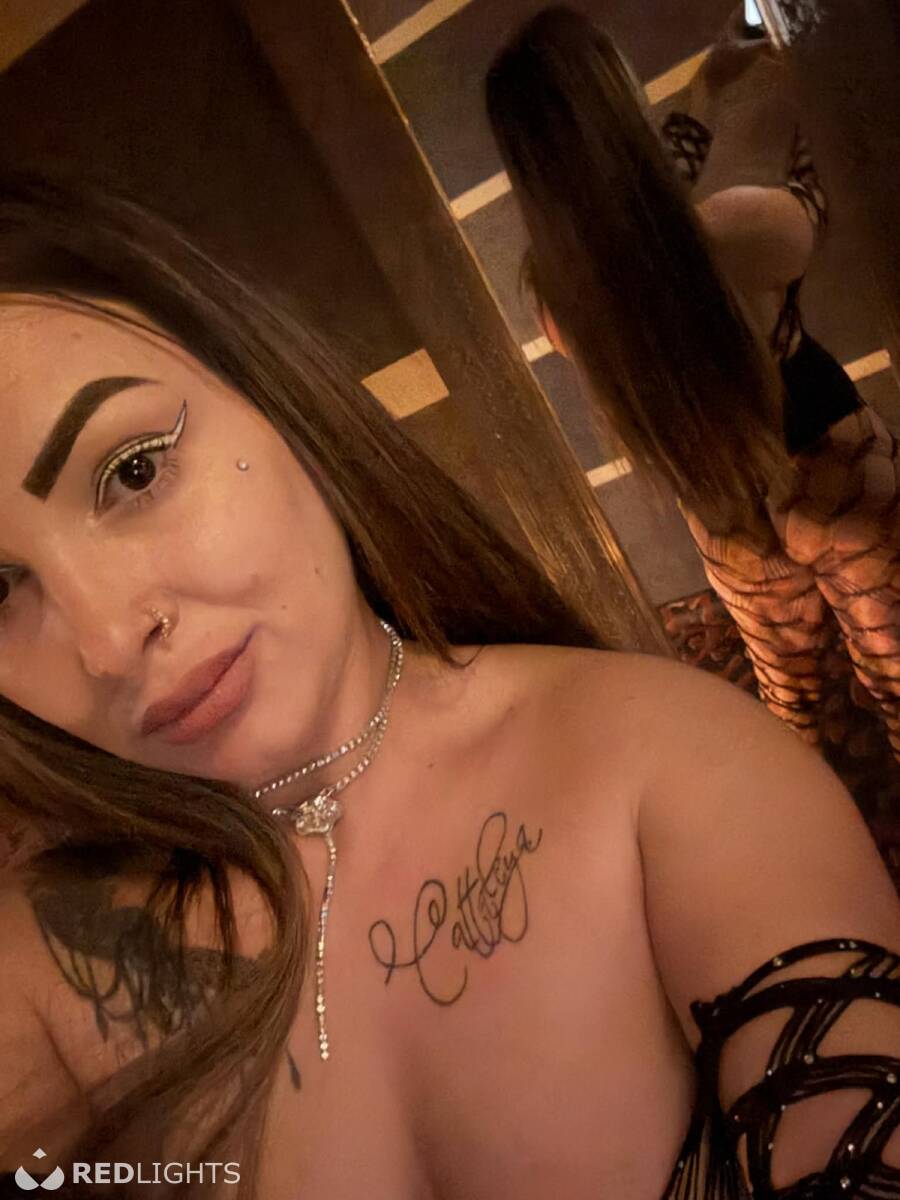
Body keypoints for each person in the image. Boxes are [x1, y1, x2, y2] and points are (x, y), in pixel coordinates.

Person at [0, 173, 896, 1200]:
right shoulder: (39, 959)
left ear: (275, 397)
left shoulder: (669, 770)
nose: (107, 642)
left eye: (134, 472)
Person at [486, 5, 900, 766]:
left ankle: (801, 812)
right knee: (898, 671)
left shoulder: (557, 294)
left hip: (720, 507)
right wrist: (816, 88)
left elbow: (632, 226)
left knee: (789, 700)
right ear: (619, 107)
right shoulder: (735, 229)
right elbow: (815, 200)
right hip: (832, 463)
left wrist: (710, 87)